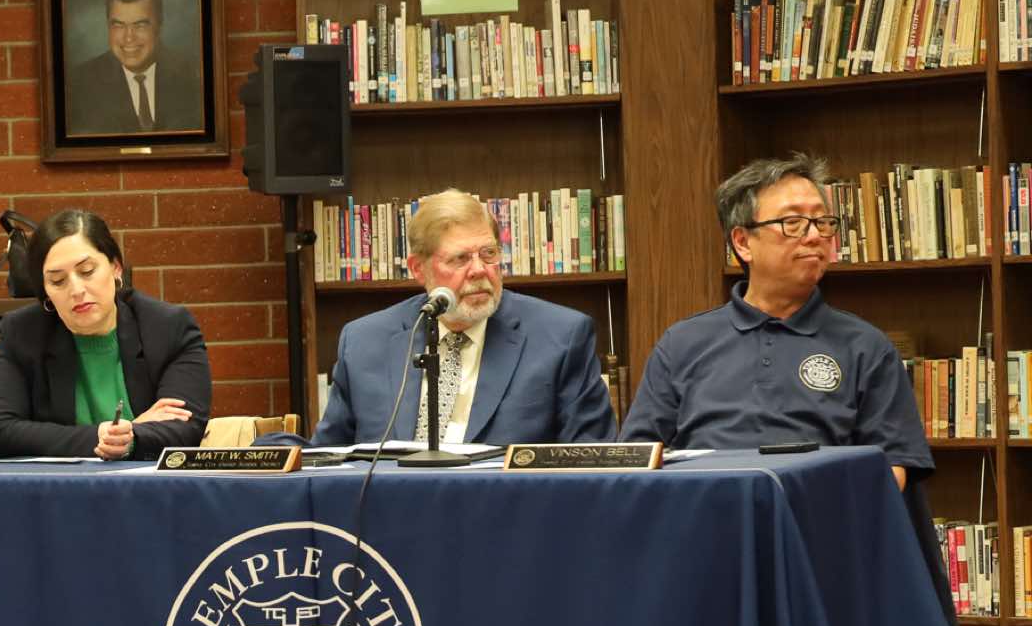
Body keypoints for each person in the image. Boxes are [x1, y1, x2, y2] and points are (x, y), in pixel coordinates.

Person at [621, 154, 929, 489]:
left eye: (822, 221)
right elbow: (635, 461)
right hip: (704, 513)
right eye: (792, 222)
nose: (814, 236)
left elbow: (893, 468)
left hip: (819, 517)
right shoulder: (682, 343)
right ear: (743, 242)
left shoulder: (866, 346)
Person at [311, 190, 616, 447]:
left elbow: (592, 460)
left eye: (489, 254)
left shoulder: (561, 338)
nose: (479, 270)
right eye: (460, 259)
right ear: (418, 269)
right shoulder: (364, 342)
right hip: (392, 499)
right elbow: (327, 460)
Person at [0, 209, 210, 459]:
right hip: (59, 483)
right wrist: (107, 434)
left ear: (116, 267)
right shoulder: (23, 333)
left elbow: (186, 426)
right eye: (58, 281)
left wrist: (131, 438)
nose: (76, 290)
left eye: (87, 271)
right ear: (45, 291)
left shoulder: (167, 327)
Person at [65, 0, 205, 137]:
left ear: (159, 26)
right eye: (118, 25)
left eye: (140, 25)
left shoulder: (195, 75)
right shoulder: (79, 84)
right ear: (108, 26)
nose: (129, 37)